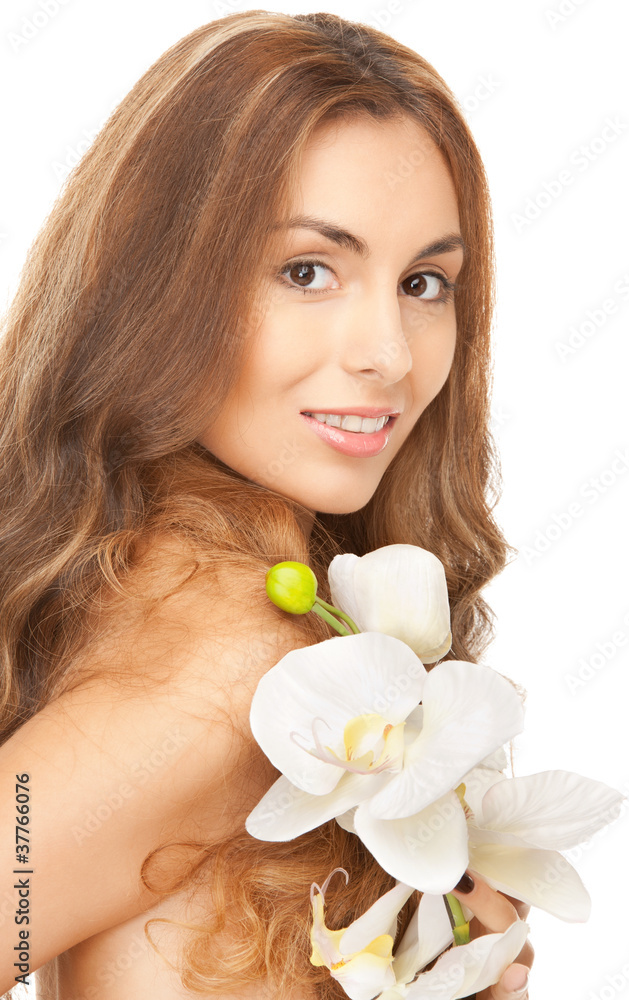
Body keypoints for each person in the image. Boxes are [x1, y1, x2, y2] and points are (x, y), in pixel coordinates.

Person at [0, 10, 533, 999]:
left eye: (425, 282)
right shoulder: (231, 657)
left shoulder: (185, 589)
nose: (389, 353)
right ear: (157, 285)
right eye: (307, 271)